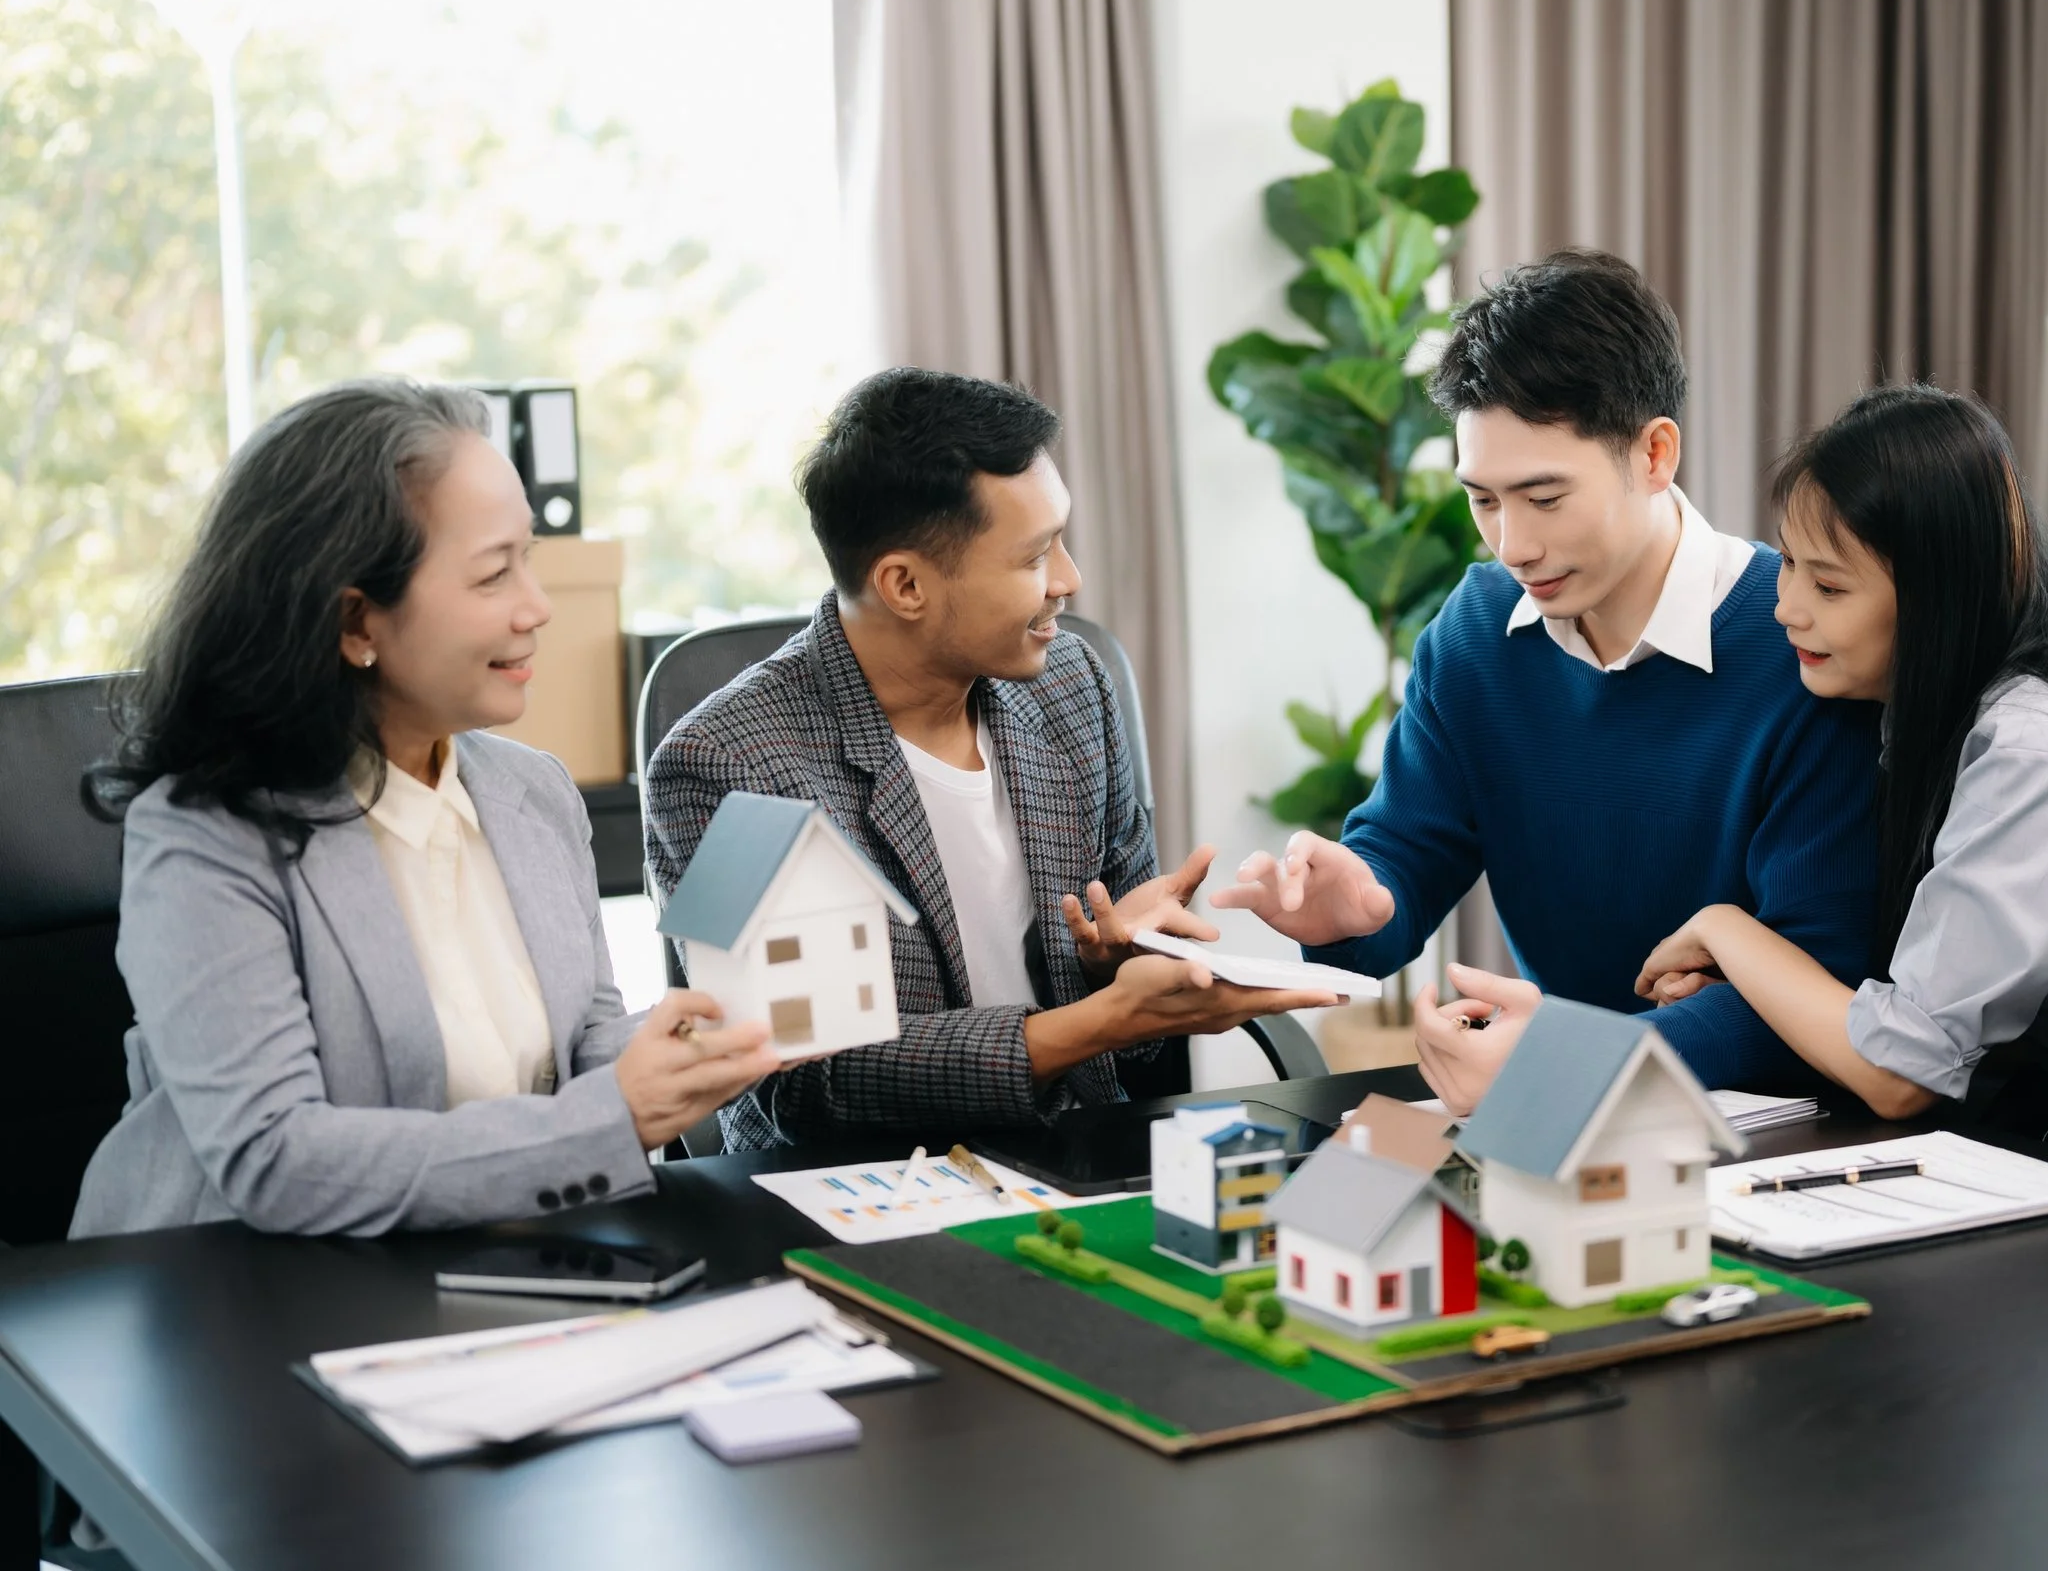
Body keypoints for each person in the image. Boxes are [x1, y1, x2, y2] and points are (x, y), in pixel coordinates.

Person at [1438, 383, 2048, 1220]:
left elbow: (1897, 1067)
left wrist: (1724, 928)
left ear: (1938, 597)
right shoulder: (1927, 719)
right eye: (1788, 565)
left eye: (1828, 588)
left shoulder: (2037, 739)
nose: (1786, 607)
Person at [73, 380, 779, 1239]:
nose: (539, 605)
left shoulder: (534, 791)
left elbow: (576, 1043)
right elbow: (275, 1156)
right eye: (494, 572)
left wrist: (687, 1048)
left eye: (531, 556)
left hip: (487, 1259)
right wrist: (610, 1120)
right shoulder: (204, 837)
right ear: (354, 621)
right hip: (231, 1288)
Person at [1211, 249, 1883, 1093]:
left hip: (1765, 1136)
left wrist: (1572, 1064)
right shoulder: (1477, 632)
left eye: (1545, 497)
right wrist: (1356, 905)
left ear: (1655, 454)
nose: (1512, 544)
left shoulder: (1801, 650)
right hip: (1553, 1105)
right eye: (1483, 499)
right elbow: (1403, 857)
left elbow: (1820, 991)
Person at [645, 367, 1336, 1145]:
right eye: (1036, 557)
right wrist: (1091, 1021)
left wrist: (1118, 961)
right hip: (854, 1192)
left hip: (1074, 1155)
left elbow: (1135, 1036)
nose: (1069, 581)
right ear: (904, 584)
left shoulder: (1072, 688)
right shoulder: (727, 763)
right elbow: (806, 1082)